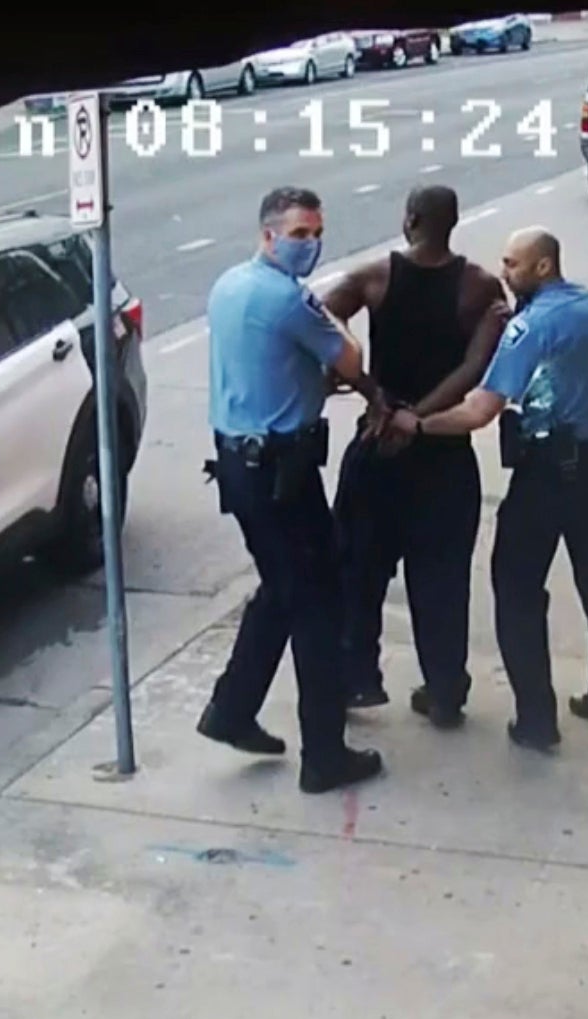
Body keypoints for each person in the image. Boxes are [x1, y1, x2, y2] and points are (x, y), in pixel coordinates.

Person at [381, 227, 588, 752]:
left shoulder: (533, 327)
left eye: (512, 264)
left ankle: (536, 718)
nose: (504, 273)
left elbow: (480, 409)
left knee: (516, 589)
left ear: (542, 267)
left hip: (547, 476)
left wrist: (416, 423)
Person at [197, 186, 388, 793]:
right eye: (299, 234)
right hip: (281, 475)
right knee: (316, 605)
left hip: (242, 466)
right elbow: (352, 359)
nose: (310, 244)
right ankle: (325, 753)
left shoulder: (229, 285)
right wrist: (326, 322)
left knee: (284, 588)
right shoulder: (287, 300)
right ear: (268, 235)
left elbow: (273, 362)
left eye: (316, 233)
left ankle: (232, 710)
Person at [320, 185, 509, 729]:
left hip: (377, 446)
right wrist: (420, 419)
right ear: (453, 222)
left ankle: (358, 678)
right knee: (442, 581)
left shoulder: (374, 278)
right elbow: (475, 367)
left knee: (359, 569)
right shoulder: (478, 287)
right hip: (444, 453)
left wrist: (375, 396)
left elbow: (323, 324)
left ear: (409, 221)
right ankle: (446, 690)